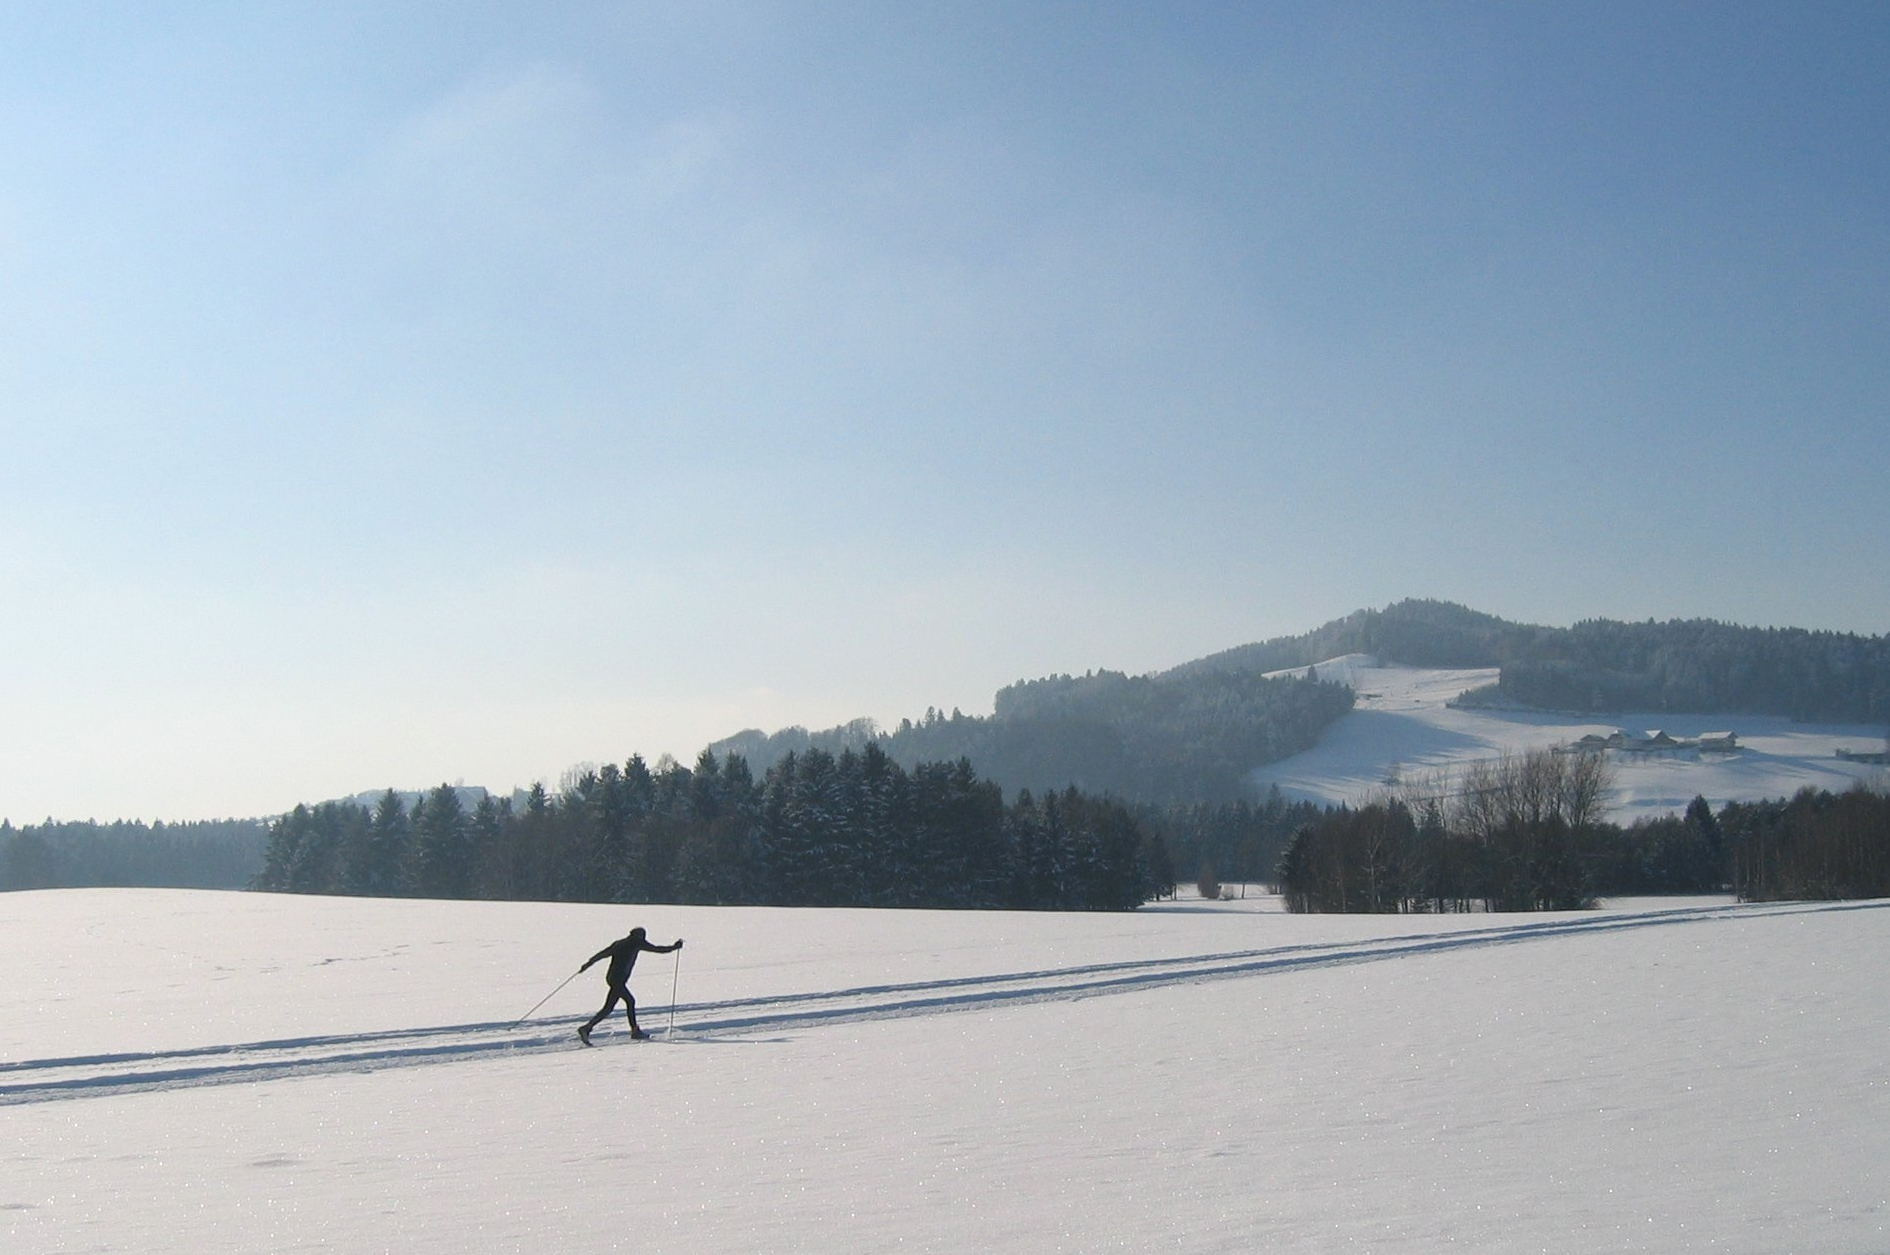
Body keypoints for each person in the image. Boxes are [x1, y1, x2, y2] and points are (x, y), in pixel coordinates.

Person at [577, 926, 683, 1044]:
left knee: (608, 1008)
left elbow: (601, 954)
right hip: (618, 980)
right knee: (630, 1001)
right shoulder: (636, 942)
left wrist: (588, 964)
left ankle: (586, 1028)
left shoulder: (619, 943)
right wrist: (674, 947)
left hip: (612, 978)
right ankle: (634, 1031)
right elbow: (656, 949)